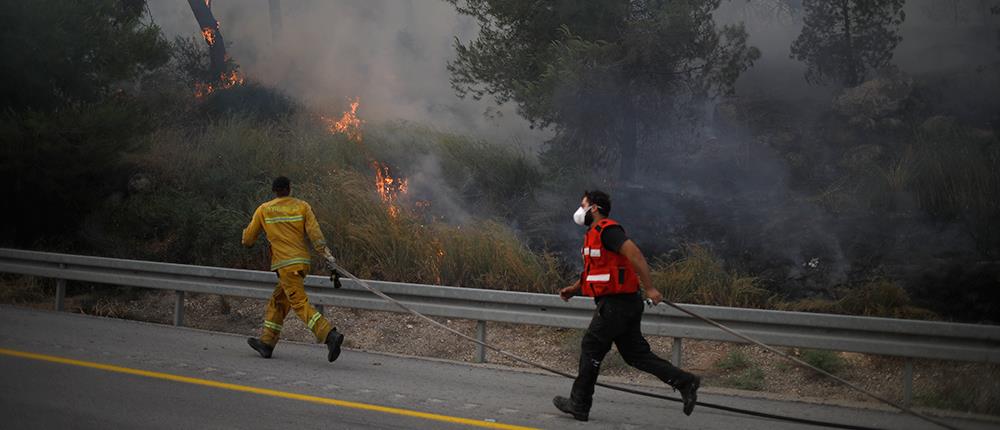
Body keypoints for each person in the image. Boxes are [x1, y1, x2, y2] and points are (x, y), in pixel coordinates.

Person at [553, 190, 700, 421]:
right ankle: (685, 381)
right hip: (624, 303)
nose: (579, 211)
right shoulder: (593, 235)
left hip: (617, 305)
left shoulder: (608, 230)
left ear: (594, 208)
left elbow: (636, 255)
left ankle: (579, 403)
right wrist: (573, 289)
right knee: (635, 354)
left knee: (591, 347)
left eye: (583, 205)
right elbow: (597, 274)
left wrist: (650, 288)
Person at [241, 176, 345, 362]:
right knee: (279, 300)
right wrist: (327, 255)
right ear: (289, 189)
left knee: (298, 303)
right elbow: (315, 234)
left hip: (285, 265)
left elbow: (248, 240)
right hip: (301, 263)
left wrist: (246, 235)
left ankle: (329, 335)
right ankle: (266, 343)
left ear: (274, 191)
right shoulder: (302, 206)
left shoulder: (264, 210)